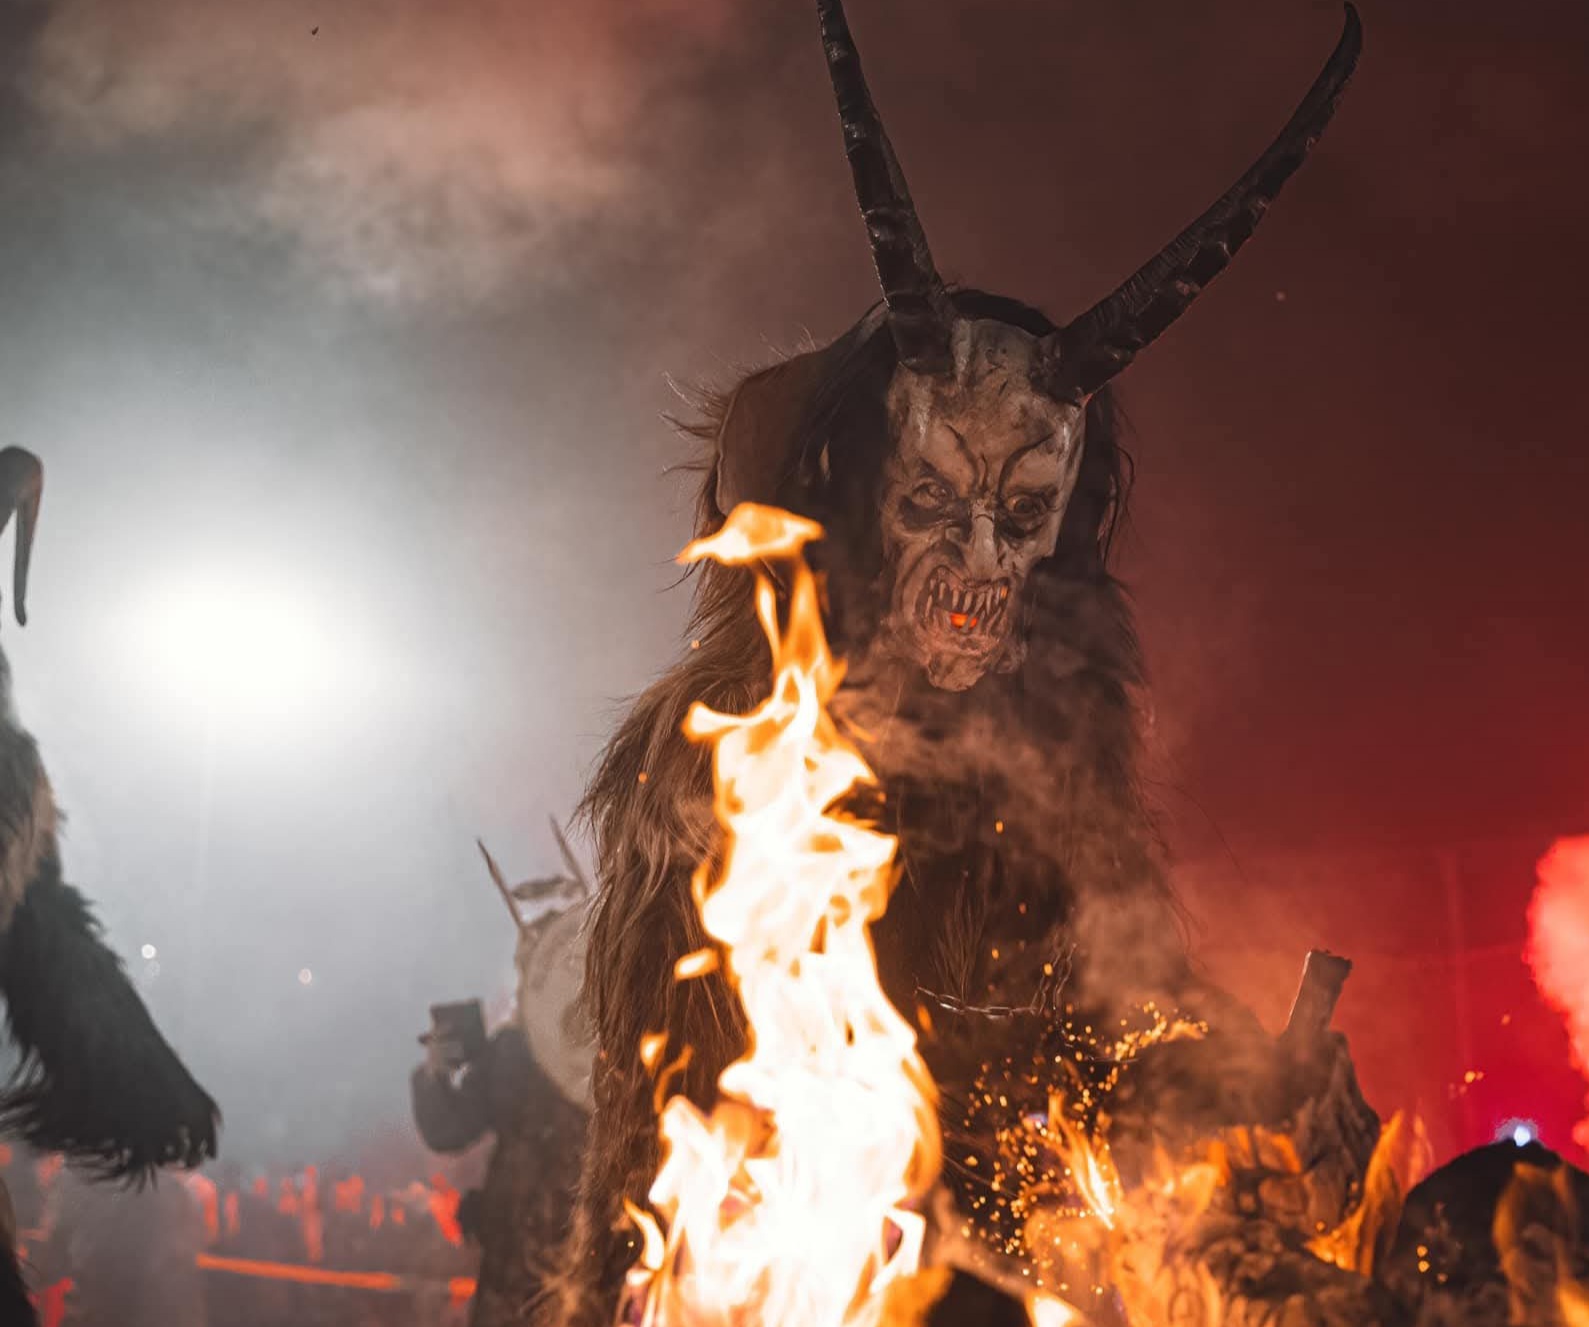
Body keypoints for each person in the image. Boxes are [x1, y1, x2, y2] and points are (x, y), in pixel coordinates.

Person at [544, 3, 1365, 1323]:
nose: (986, 560)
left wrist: (1234, 1090)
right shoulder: (730, 759)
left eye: (1025, 514)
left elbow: (1111, 1027)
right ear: (850, 502)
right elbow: (685, 1112)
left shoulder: (1051, 777)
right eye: (934, 504)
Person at [413, 830, 594, 1327]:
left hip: (547, 1243)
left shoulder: (520, 1049)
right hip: (565, 1241)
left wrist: (436, 1077)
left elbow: (449, 1128)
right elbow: (450, 1128)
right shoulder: (518, 1049)